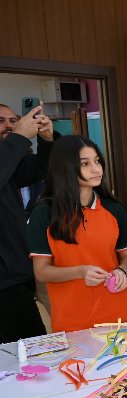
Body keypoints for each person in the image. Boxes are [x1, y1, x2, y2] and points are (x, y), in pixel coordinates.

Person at [27, 135, 127, 332]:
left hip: (120, 314)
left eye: (97, 161)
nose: (96, 169)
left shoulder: (114, 208)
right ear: (65, 168)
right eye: (85, 164)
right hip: (73, 320)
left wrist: (122, 271)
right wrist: (81, 271)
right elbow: (41, 271)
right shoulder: (44, 213)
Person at [0, 103, 55, 341]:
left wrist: (46, 139)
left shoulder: (9, 160)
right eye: (1, 121)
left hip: (17, 274)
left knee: (30, 349)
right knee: (30, 351)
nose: (9, 126)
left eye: (13, 121)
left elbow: (41, 168)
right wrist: (20, 136)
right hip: (5, 283)